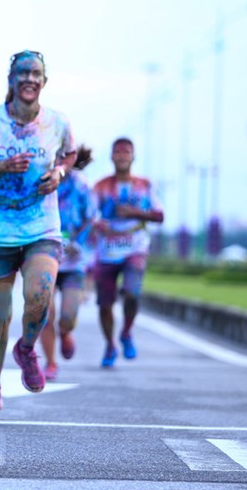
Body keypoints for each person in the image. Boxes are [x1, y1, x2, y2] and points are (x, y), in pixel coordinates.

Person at [0, 50, 76, 421]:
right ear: (11, 79)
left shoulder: (57, 121)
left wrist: (58, 173)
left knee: (39, 296)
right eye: (22, 72)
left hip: (41, 227)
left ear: (44, 80)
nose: (29, 79)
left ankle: (26, 348)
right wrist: (1, 165)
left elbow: (69, 155)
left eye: (36, 73)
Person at [91, 137, 164, 368]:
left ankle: (126, 332)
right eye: (118, 152)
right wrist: (97, 224)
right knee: (105, 303)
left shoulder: (145, 185)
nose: (122, 156)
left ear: (133, 157)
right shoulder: (100, 186)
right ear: (111, 157)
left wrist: (135, 213)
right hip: (107, 250)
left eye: (126, 152)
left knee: (132, 293)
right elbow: (89, 215)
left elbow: (159, 215)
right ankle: (110, 344)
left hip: (135, 247)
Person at [39, 145, 95, 381]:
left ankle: (65, 331)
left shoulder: (81, 185)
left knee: (68, 316)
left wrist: (78, 243)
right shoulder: (39, 181)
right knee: (44, 313)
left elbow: (91, 218)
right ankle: (51, 363)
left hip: (73, 262)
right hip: (43, 258)